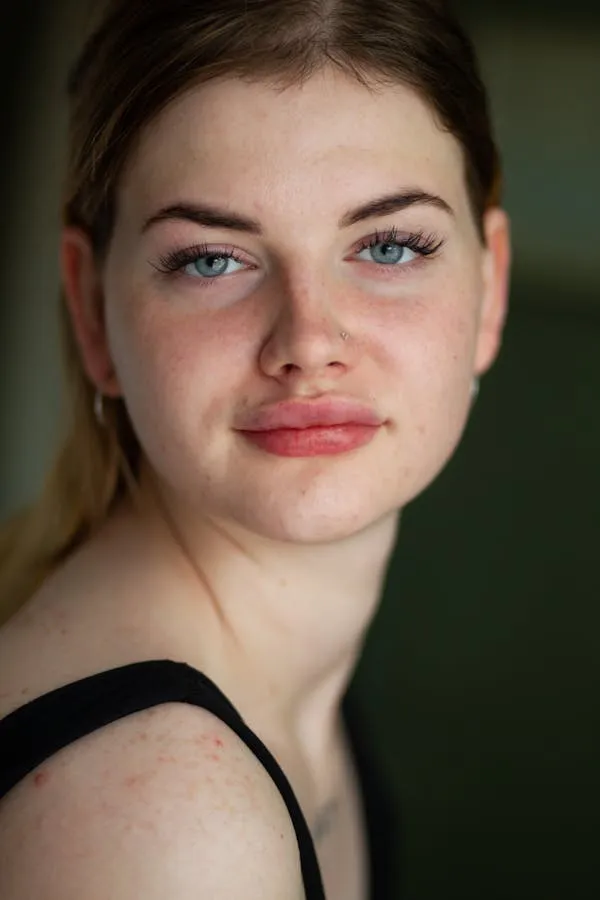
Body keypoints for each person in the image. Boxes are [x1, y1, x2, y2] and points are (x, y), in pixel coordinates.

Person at [0, 0, 510, 897]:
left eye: (388, 245)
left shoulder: (282, 672)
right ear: (91, 311)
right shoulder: (169, 821)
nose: (309, 340)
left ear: (491, 285)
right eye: (211, 260)